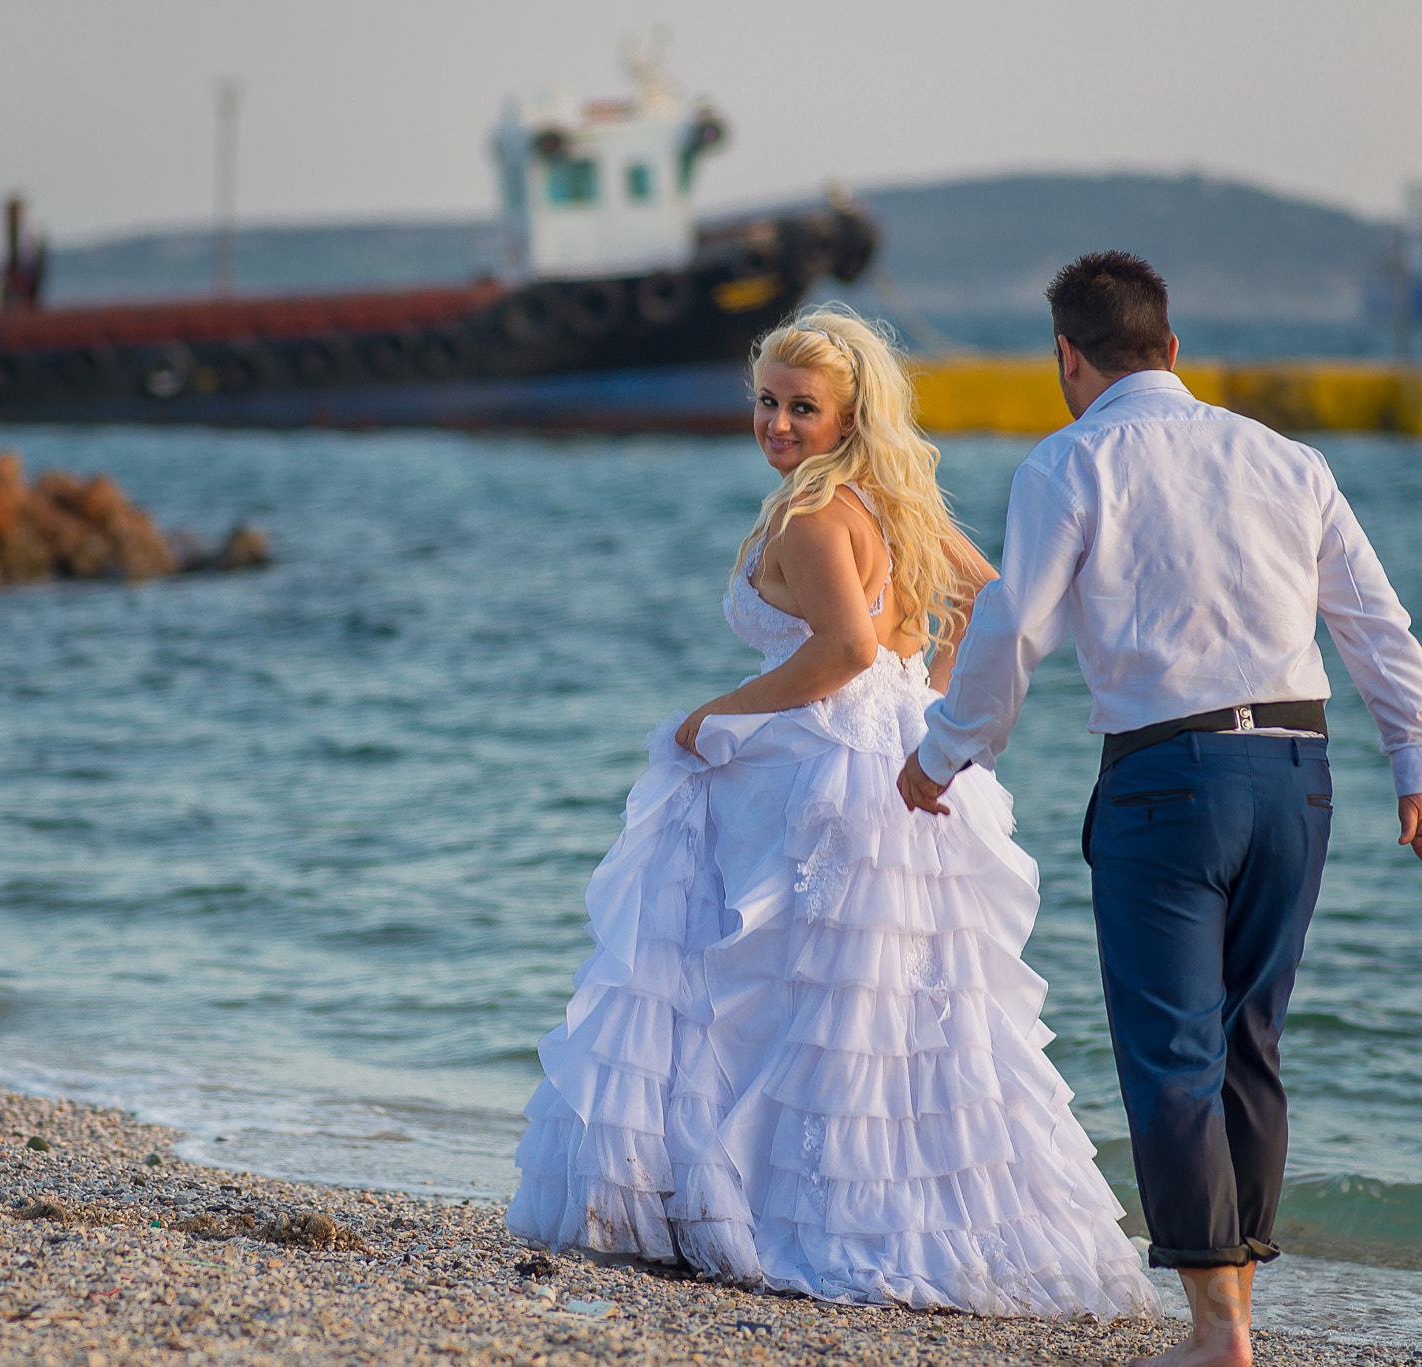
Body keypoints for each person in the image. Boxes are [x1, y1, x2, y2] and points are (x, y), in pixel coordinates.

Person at [506, 304, 1157, 1320]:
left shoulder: (812, 516)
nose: (775, 424)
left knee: (793, 996)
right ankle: (885, 1217)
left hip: (822, 770)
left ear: (849, 413)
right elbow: (983, 595)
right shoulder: (888, 502)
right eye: (763, 401)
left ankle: (790, 1216)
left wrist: (705, 718)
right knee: (880, 1008)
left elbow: (841, 653)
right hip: (898, 756)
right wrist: (929, 699)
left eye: (800, 407)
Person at [897, 253, 1422, 1367]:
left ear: (1064, 358)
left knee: (1169, 1049)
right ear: (1172, 349)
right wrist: (1412, 755)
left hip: (1163, 781)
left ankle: (1214, 1333)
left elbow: (1009, 629)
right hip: (1297, 771)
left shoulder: (1068, 460)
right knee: (1249, 1038)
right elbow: (1375, 623)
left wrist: (946, 752)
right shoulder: (1286, 458)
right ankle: (1231, 1312)